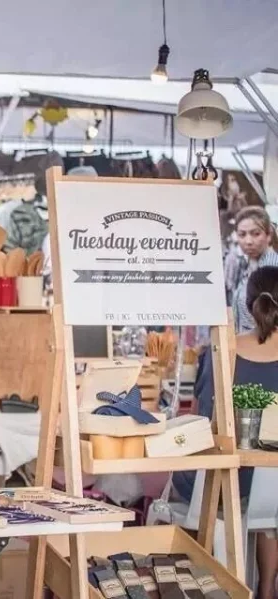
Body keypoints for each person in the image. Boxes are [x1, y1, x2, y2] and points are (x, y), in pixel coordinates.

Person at [174, 266, 278, 598]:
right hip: (273, 485)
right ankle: (267, 586)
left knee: (184, 476)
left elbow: (202, 419)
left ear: (248, 305)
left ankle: (207, 578)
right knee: (267, 505)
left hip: (228, 481)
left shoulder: (222, 349)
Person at [231, 206, 278, 334]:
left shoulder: (272, 269)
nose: (248, 241)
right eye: (242, 234)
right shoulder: (247, 267)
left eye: (256, 234)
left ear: (268, 235)